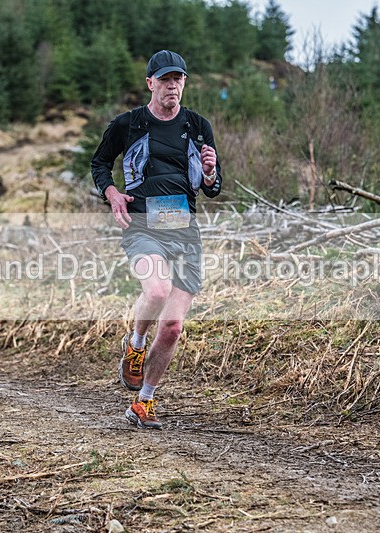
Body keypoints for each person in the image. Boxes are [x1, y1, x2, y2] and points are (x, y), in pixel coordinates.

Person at [91, 50, 222, 430]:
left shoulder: (198, 126)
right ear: (150, 83)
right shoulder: (128, 124)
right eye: (165, 79)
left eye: (178, 79)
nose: (172, 86)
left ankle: (143, 402)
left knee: (173, 327)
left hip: (184, 230)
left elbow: (212, 189)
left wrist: (211, 174)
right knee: (158, 290)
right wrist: (112, 193)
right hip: (143, 225)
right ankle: (134, 344)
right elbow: (100, 163)